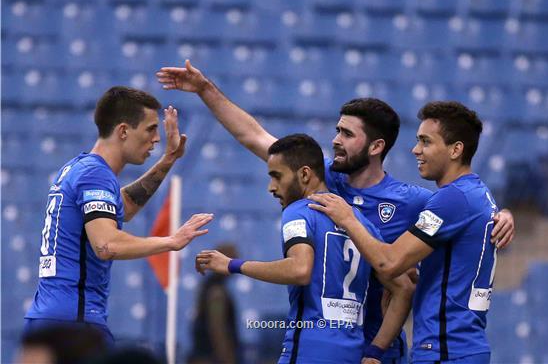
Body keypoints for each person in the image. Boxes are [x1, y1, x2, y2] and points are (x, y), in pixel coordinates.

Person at [156, 60, 515, 363]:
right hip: (334, 344)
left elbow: (460, 213)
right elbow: (254, 136)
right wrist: (205, 90)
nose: (336, 140)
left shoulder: (413, 201)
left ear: (375, 146)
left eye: (347, 134)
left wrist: (501, 215)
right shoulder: (322, 179)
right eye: (337, 131)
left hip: (378, 349)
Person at [309, 101, 503, 363]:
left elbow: (388, 262)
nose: (416, 150)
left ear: (456, 149)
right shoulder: (476, 195)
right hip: (460, 345)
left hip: (446, 348)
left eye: (426, 142)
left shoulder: (453, 199)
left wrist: (348, 218)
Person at [24, 86, 213, 346]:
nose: (156, 139)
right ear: (123, 131)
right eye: (150, 129)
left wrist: (168, 160)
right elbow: (106, 244)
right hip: (74, 322)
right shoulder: (95, 175)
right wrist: (171, 241)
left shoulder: (77, 168)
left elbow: (120, 207)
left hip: (51, 315)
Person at [196, 134, 403, 364]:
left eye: (277, 176)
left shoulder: (299, 211)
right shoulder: (364, 225)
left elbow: (300, 269)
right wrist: (376, 350)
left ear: (304, 174)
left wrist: (232, 265)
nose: (271, 188)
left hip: (308, 351)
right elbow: (404, 288)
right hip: (352, 354)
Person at [189, 243, 240, 364]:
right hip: (210, 356)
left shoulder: (209, 287)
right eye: (233, 260)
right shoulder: (216, 292)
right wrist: (226, 357)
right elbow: (217, 326)